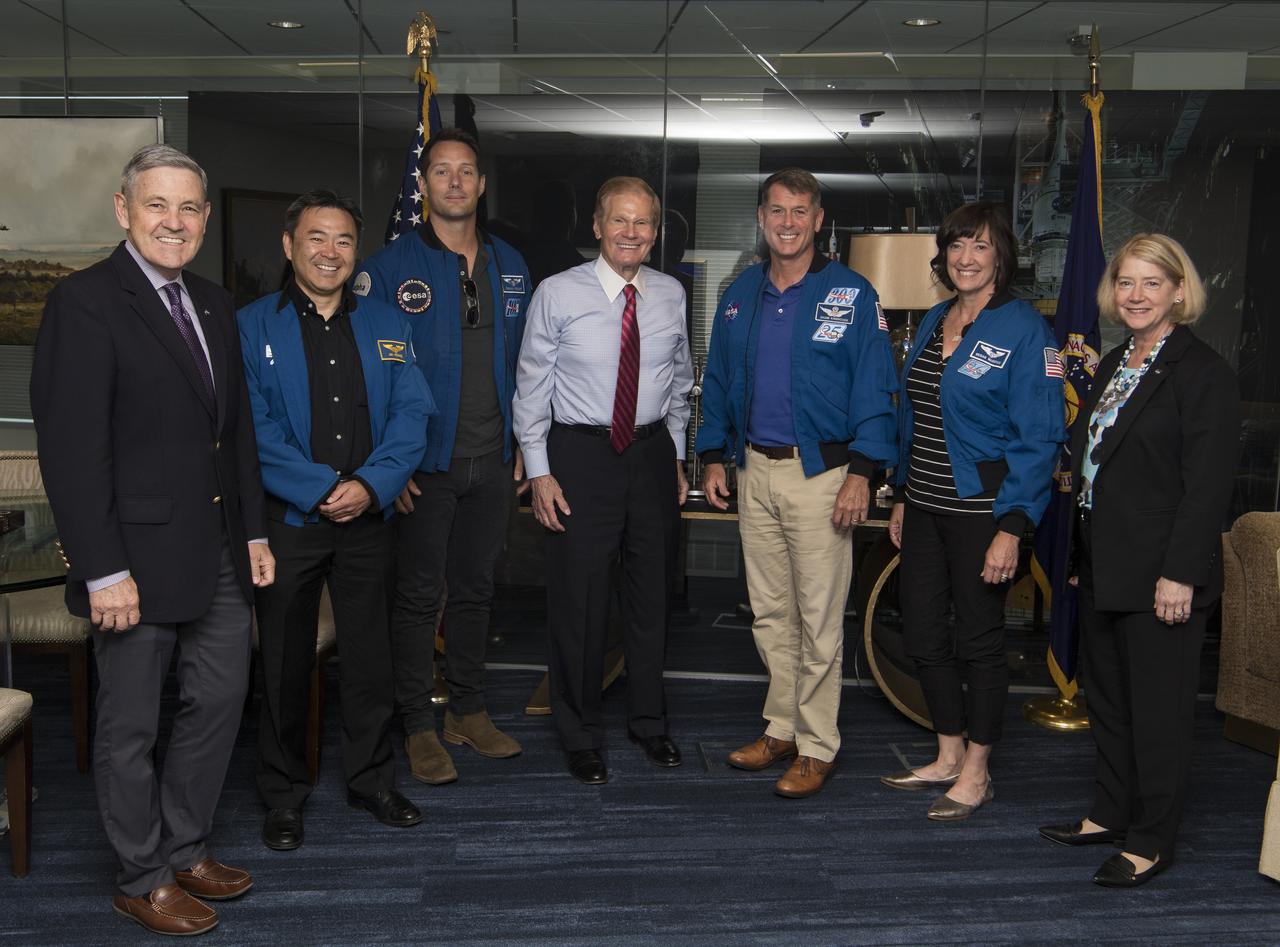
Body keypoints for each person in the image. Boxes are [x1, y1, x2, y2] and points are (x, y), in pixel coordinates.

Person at [30, 144, 275, 937]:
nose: (175, 221)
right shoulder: (86, 301)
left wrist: (256, 533)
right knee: (131, 722)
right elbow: (72, 450)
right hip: (130, 561)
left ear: (204, 217)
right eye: (158, 205)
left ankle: (185, 845)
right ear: (122, 210)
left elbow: (232, 437)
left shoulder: (212, 302)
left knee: (219, 703)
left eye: (189, 208)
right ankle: (140, 874)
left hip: (220, 550)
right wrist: (102, 568)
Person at [1038, 234, 1239, 886]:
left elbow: (1207, 484)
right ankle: (1109, 810)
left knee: (1158, 712)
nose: (1136, 295)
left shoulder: (1204, 372)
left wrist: (1180, 572)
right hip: (1103, 561)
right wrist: (1077, 554)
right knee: (1111, 702)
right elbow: (1094, 464)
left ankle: (1151, 838)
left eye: (1152, 283)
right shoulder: (1116, 360)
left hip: (1163, 574)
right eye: (1126, 282)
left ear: (1180, 290)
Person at [237, 189, 435, 850]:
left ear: (357, 251)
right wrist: (324, 488)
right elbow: (251, 428)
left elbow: (412, 419)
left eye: (344, 240)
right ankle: (283, 794)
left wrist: (372, 486)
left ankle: (372, 779)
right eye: (317, 238)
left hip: (369, 520)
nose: (331, 252)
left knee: (372, 657)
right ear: (290, 245)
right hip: (291, 521)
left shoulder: (388, 324)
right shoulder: (250, 327)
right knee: (286, 662)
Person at [696, 167, 898, 798]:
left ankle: (817, 744)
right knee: (770, 614)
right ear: (762, 218)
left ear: (818, 220)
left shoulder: (852, 295)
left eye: (799, 211)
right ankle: (781, 727)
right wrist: (710, 455)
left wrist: (863, 472)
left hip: (823, 476)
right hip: (755, 470)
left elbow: (875, 387)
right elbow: (721, 380)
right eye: (776, 211)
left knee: (817, 617)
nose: (787, 222)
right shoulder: (740, 293)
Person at [354, 128, 531, 785]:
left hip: (491, 459)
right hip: (421, 467)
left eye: (466, 172)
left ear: (481, 185)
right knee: (418, 596)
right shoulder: (390, 266)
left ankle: (467, 708)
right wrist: (385, 465)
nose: (454, 182)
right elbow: (372, 376)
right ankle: (418, 725)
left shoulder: (511, 265)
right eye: (442, 172)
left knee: (477, 591)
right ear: (422, 186)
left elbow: (529, 364)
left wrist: (526, 444)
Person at [878, 202, 1064, 820]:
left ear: (1000, 257)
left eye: (979, 246)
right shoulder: (935, 318)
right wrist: (903, 494)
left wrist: (1013, 526)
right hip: (925, 506)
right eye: (956, 246)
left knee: (979, 642)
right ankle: (948, 751)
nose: (966, 258)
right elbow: (915, 420)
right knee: (925, 634)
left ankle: (979, 771)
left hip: (985, 512)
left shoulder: (1024, 330)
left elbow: (1040, 436)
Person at [513, 176, 693, 785]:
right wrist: (538, 471)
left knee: (651, 599)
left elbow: (680, 381)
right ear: (596, 226)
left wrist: (677, 455)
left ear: (656, 231)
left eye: (643, 222)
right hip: (579, 456)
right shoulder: (557, 293)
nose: (632, 233)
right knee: (580, 604)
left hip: (649, 457)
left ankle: (649, 723)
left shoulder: (670, 294)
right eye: (620, 220)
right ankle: (580, 733)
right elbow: (531, 385)